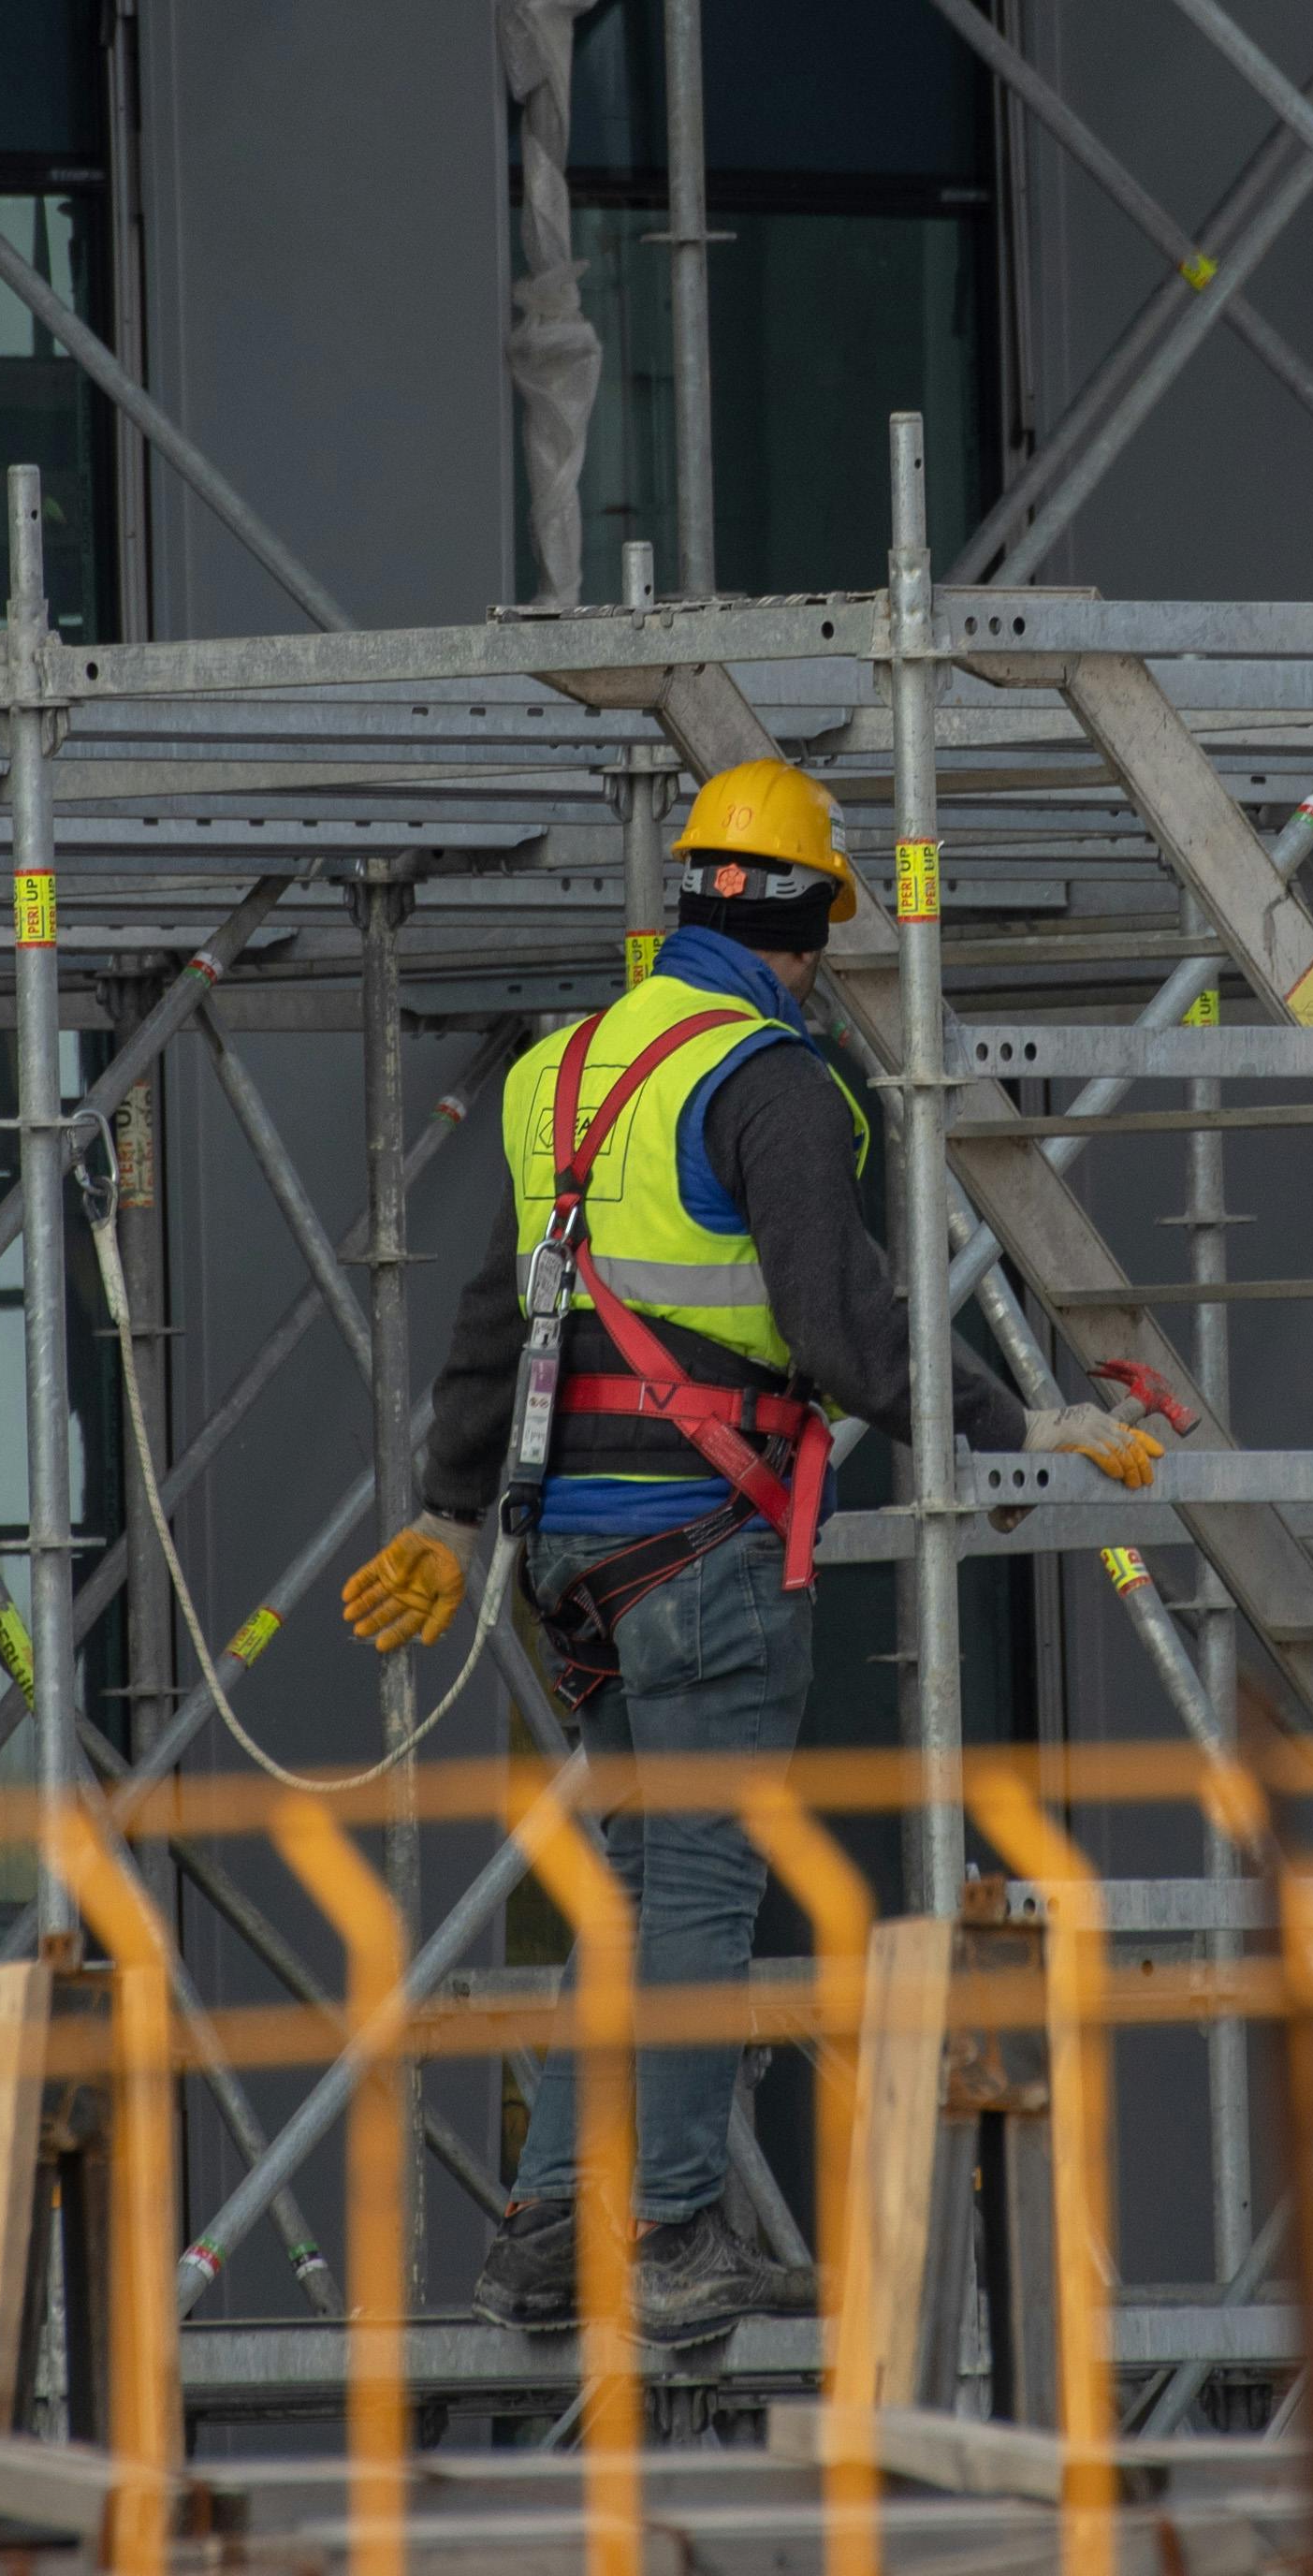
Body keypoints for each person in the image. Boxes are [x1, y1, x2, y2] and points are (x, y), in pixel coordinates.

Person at [344, 758, 1174, 2348]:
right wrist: (1021, 1423)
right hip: (702, 1551)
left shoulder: (565, 1073)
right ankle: (665, 2238)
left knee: (642, 1897)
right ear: (809, 926)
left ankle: (543, 2233)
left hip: (568, 1563)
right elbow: (849, 1331)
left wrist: (452, 1514)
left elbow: (494, 1315)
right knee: (703, 1900)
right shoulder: (780, 1083)